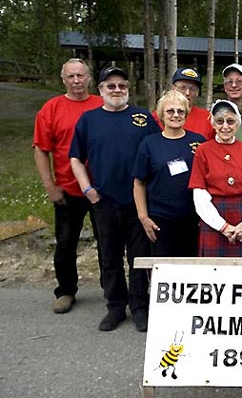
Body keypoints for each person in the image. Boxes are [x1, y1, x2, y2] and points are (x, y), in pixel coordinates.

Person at [69, 66, 160, 332]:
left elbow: (157, 151)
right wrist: (87, 189)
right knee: (108, 257)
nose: (117, 90)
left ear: (128, 89)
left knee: (139, 257)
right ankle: (115, 307)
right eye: (111, 86)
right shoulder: (89, 120)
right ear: (100, 90)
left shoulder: (142, 118)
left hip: (138, 203)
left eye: (121, 85)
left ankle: (140, 307)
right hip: (104, 201)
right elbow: (75, 157)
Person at [33, 58, 103, 314]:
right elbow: (41, 149)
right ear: (63, 79)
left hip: (101, 190)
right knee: (65, 244)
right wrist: (50, 185)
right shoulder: (51, 109)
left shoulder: (101, 104)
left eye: (81, 76)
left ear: (89, 78)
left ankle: (112, 289)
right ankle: (65, 291)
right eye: (71, 76)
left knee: (107, 242)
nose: (76, 81)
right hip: (67, 189)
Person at [189, 100, 242, 257]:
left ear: (238, 124)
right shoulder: (203, 151)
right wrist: (222, 226)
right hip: (213, 219)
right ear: (213, 124)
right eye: (219, 121)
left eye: (230, 121)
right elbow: (199, 193)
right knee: (213, 276)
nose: (225, 126)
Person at [133, 90, 206, 257]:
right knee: (163, 269)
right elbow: (139, 183)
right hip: (160, 219)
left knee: (190, 271)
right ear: (161, 114)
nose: (175, 115)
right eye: (170, 111)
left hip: (193, 218)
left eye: (180, 111)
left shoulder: (199, 142)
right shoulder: (149, 144)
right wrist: (143, 217)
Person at [152, 67, 214, 141]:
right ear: (173, 89)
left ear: (197, 92)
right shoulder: (158, 116)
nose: (187, 93)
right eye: (182, 87)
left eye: (192, 89)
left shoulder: (208, 118)